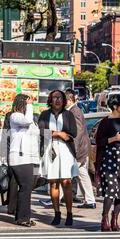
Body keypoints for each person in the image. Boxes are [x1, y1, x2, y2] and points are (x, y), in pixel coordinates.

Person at [38, 90, 78, 227]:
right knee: (53, 182)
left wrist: (59, 134)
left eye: (60, 98)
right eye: (55, 98)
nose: (57, 100)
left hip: (66, 150)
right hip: (50, 149)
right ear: (50, 100)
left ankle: (69, 213)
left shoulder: (69, 115)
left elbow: (73, 133)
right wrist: (59, 133)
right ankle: (56, 213)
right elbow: (42, 132)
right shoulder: (44, 114)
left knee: (66, 181)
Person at [95, 95, 120, 232]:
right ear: (115, 106)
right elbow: (98, 141)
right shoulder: (105, 122)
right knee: (111, 189)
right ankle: (104, 218)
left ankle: (115, 218)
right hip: (109, 159)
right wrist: (114, 138)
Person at [9, 94, 40, 227]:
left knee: (27, 187)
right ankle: (23, 218)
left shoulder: (29, 118)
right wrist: (30, 105)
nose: (29, 104)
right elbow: (27, 121)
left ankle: (22, 216)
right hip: (20, 157)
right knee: (25, 187)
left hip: (30, 156)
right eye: (26, 103)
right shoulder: (15, 116)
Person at [65, 89, 96, 209]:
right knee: (82, 175)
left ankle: (55, 198)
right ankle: (90, 200)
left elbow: (77, 133)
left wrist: (74, 151)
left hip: (79, 150)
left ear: (69, 100)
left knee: (66, 174)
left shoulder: (74, 111)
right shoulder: (74, 111)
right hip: (82, 149)